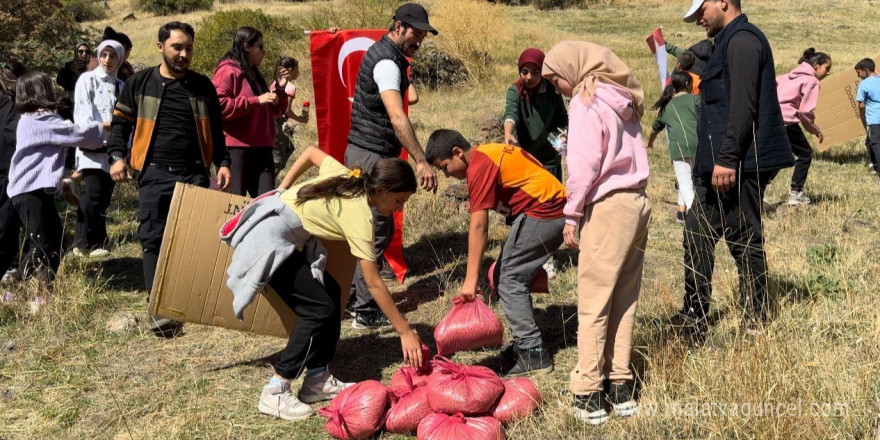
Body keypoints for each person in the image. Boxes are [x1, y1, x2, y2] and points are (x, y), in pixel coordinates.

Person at [221, 146, 423, 421]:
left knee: (332, 293)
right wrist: (404, 331)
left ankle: (317, 378)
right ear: (382, 189)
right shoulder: (360, 215)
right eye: (399, 200)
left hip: (285, 235)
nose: (399, 208)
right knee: (318, 309)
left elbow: (311, 153)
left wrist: (283, 187)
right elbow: (374, 283)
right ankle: (276, 388)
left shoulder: (350, 176)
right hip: (270, 242)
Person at [540, 40, 652, 425]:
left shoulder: (584, 101)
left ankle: (588, 392)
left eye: (557, 81)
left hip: (607, 208)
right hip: (638, 201)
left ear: (573, 69)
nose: (559, 89)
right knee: (624, 298)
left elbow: (586, 167)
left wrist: (571, 215)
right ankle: (620, 386)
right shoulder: (620, 97)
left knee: (592, 304)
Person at [676, 0, 793, 342]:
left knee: (744, 239)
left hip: (737, 164)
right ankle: (695, 313)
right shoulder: (728, 41)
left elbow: (743, 105)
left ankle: (756, 317)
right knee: (697, 233)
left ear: (723, 2)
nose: (699, 19)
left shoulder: (743, 42)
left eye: (702, 10)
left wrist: (726, 158)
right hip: (721, 163)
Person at [108, 21, 232, 336]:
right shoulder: (139, 82)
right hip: (154, 171)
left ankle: (188, 301)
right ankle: (158, 308)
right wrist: (116, 158)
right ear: (161, 47)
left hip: (193, 171)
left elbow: (216, 131)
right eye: (177, 47)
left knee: (192, 238)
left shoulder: (202, 86)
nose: (184, 54)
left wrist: (223, 162)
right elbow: (120, 124)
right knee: (153, 237)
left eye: (188, 47)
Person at [425, 129, 566, 376]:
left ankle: (533, 352)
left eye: (445, 167)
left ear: (457, 152)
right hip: (548, 210)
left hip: (546, 213)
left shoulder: (478, 166)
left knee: (509, 279)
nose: (446, 174)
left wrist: (470, 280)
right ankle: (524, 341)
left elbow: (479, 226)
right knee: (502, 274)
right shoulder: (488, 153)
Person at [344, 3, 438, 329]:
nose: (420, 40)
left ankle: (354, 302)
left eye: (424, 36)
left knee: (365, 231)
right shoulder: (386, 62)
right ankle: (365, 311)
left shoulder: (392, 59)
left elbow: (407, 99)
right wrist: (421, 161)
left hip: (366, 152)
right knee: (372, 232)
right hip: (371, 156)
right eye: (416, 33)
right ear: (398, 27)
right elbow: (398, 117)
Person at [6, 71, 106, 284]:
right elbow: (77, 134)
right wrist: (106, 126)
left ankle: (42, 292)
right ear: (41, 91)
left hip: (33, 192)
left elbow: (43, 164)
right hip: (29, 192)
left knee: (57, 244)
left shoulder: (34, 119)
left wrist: (62, 186)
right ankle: (16, 282)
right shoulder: (40, 120)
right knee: (42, 244)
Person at [213, 26, 289, 197]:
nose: (264, 51)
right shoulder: (228, 70)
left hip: (262, 148)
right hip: (236, 149)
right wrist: (256, 101)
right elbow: (219, 106)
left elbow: (274, 113)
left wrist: (280, 89)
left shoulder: (254, 74)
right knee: (232, 205)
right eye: (260, 47)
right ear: (247, 46)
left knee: (265, 205)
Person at [71, 39, 126, 258]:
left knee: (104, 194)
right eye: (104, 55)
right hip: (92, 146)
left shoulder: (121, 86)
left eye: (113, 56)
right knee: (92, 193)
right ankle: (81, 241)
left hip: (112, 148)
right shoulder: (87, 80)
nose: (107, 60)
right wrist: (108, 125)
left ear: (120, 58)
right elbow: (83, 115)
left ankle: (98, 240)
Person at [502, 48, 568, 181]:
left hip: (550, 159)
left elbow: (562, 116)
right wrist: (508, 131)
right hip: (524, 158)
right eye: (524, 72)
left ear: (542, 72)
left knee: (552, 198)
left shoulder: (551, 89)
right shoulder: (515, 91)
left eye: (535, 72)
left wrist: (563, 135)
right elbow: (511, 113)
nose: (529, 77)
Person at [776, 48, 831, 205]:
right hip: (788, 121)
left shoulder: (787, 76)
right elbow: (804, 111)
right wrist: (815, 130)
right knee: (805, 153)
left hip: (774, 119)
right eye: (826, 68)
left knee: (780, 154)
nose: (827, 73)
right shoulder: (812, 81)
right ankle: (796, 192)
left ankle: (760, 190)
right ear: (816, 65)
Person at [647, 71, 700, 222]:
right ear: (687, 84)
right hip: (698, 146)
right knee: (693, 180)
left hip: (678, 149)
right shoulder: (696, 99)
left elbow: (654, 129)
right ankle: (682, 216)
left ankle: (695, 217)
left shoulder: (667, 106)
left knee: (684, 182)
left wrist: (649, 143)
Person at [0, 61, 24, 283]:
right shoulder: (20, 107)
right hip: (11, 173)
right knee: (8, 225)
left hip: (10, 172)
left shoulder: (19, 107)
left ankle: (13, 264)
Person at [270, 56, 308, 178]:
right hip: (275, 123)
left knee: (287, 147)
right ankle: (267, 183)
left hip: (269, 122)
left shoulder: (274, 83)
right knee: (280, 159)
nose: (299, 73)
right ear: (290, 70)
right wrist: (301, 119)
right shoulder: (291, 87)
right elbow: (287, 110)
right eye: (297, 69)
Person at [855, 58, 880, 174]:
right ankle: (873, 164)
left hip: (874, 119)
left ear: (865, 70)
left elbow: (861, 105)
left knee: (875, 143)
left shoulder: (863, 84)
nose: (858, 76)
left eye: (859, 73)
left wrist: (863, 118)